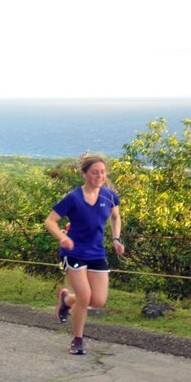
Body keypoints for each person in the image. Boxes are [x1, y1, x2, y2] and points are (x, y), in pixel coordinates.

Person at [44, 152, 125, 355]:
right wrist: (62, 238)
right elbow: (50, 221)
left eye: (103, 172)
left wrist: (116, 239)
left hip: (97, 252)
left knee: (98, 301)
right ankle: (77, 340)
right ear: (84, 174)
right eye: (95, 172)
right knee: (85, 297)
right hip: (74, 252)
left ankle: (66, 300)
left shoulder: (109, 195)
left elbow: (115, 218)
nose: (99, 176)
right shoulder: (73, 198)